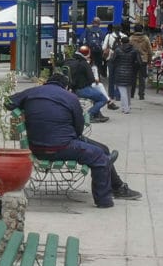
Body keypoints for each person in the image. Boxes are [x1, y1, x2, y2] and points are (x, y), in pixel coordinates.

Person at [11, 70, 142, 207]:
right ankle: (104, 201)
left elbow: (9, 102)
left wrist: (27, 107)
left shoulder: (31, 92)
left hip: (36, 147)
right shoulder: (70, 97)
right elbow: (79, 127)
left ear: (46, 83)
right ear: (66, 87)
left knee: (103, 149)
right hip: (61, 147)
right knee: (99, 157)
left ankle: (118, 186)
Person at [65, 44, 111, 123]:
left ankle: (97, 115)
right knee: (103, 99)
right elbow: (91, 79)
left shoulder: (71, 61)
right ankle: (88, 115)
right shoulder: (84, 63)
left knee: (97, 95)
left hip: (74, 89)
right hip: (83, 89)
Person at [107, 34, 144, 114]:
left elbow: (113, 60)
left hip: (119, 72)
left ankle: (126, 108)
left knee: (123, 92)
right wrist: (135, 68)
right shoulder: (134, 50)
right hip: (130, 72)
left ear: (121, 42)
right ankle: (127, 106)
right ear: (129, 41)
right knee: (128, 91)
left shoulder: (117, 50)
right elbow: (139, 62)